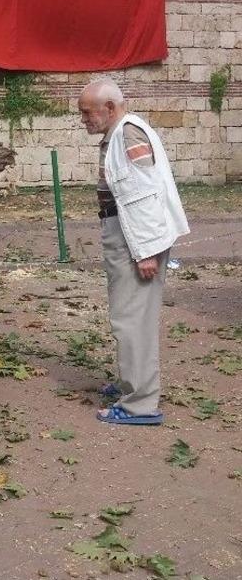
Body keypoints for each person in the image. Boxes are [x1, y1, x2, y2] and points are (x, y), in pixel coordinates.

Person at [77, 78, 189, 426]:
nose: (83, 120)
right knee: (131, 317)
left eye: (87, 112)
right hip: (130, 236)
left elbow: (143, 197)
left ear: (109, 108)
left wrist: (144, 252)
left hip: (132, 240)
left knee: (131, 321)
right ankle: (133, 384)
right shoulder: (125, 132)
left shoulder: (127, 135)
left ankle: (139, 404)